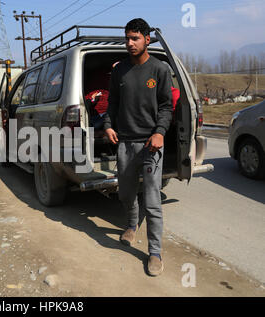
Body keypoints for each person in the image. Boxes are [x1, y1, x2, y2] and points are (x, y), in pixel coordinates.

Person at [103, 18, 173, 276]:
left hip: (151, 145)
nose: (130, 43)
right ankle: (132, 226)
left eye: (135, 38)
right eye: (127, 38)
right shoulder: (120, 70)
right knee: (126, 192)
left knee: (153, 201)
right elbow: (112, 103)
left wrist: (159, 132)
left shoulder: (160, 69)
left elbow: (167, 106)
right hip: (125, 142)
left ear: (147, 40)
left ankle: (154, 253)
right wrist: (109, 125)